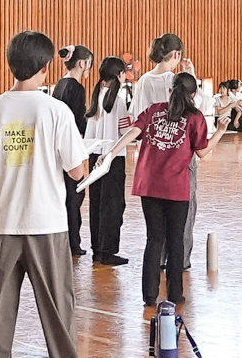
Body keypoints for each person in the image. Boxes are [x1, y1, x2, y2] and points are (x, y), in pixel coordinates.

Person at [0, 30, 106, 358]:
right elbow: (77, 170)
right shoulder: (55, 111)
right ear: (46, 68)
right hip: (46, 224)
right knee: (58, 311)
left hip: (3, 223)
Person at [124, 70, 211, 309]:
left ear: (170, 91)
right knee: (175, 241)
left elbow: (133, 132)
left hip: (149, 185)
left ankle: (149, 295)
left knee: (153, 240)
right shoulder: (195, 117)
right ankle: (175, 294)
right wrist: (222, 132)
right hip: (176, 188)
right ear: (193, 95)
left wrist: (112, 152)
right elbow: (202, 151)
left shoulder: (154, 111)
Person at [136, 34, 201, 266]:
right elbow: (194, 110)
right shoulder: (176, 81)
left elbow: (138, 117)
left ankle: (158, 259)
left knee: (156, 215)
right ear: (177, 55)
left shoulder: (143, 80)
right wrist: (192, 76)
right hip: (179, 154)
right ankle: (178, 260)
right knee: (183, 209)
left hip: (152, 155)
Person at [84, 55, 130, 266]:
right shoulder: (118, 103)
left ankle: (97, 248)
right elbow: (126, 131)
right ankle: (108, 250)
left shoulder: (95, 99)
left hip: (94, 156)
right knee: (113, 206)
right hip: (113, 157)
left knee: (97, 204)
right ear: (119, 75)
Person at [54, 46, 93, 258]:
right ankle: (73, 244)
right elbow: (78, 124)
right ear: (82, 64)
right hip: (70, 148)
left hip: (56, 149)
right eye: (88, 64)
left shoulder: (59, 85)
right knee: (74, 196)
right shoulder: (77, 89)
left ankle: (63, 242)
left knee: (63, 197)